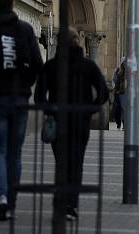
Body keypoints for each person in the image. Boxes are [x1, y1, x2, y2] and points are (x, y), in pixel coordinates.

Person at [35, 28, 108, 221]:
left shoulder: (50, 66)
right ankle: (71, 205)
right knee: (76, 163)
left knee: (61, 163)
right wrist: (89, 110)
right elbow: (103, 93)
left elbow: (39, 97)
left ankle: (60, 202)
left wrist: (50, 111)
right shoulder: (88, 66)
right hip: (80, 122)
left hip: (58, 121)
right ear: (78, 42)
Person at [0, 0, 43, 221]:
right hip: (20, 99)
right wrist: (27, 86)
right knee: (15, 153)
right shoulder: (25, 30)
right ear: (13, 5)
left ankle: (1, 197)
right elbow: (37, 63)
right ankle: (11, 202)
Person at [111, 58, 126, 129]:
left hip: (129, 92)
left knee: (125, 109)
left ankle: (125, 123)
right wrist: (116, 90)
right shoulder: (119, 71)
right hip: (121, 92)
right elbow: (115, 81)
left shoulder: (132, 72)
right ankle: (120, 122)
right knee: (122, 108)